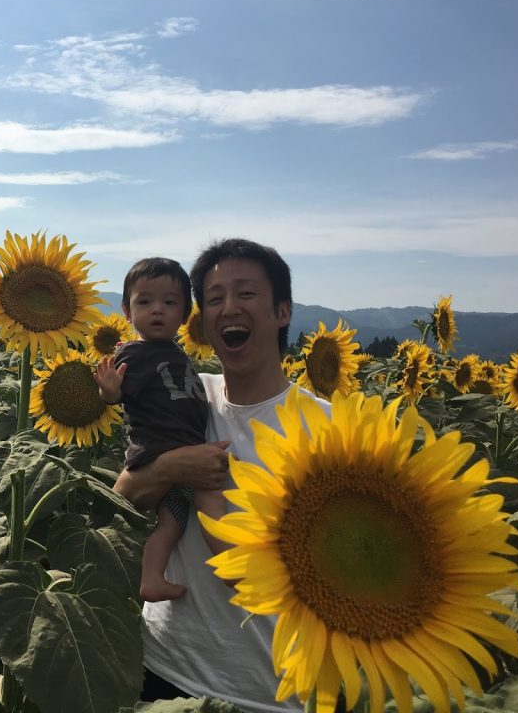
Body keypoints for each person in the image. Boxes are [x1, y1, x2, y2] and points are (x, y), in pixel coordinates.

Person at [113, 238, 331, 711]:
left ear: (282, 311)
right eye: (214, 298)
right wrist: (173, 466)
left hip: (275, 692)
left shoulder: (329, 427)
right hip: (166, 669)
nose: (229, 306)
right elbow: (123, 496)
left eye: (247, 293)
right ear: (202, 319)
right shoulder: (187, 395)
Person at [94, 257, 232, 603]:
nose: (157, 310)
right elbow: (117, 396)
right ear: (127, 311)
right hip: (159, 449)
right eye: (145, 302)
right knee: (209, 495)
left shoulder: (175, 353)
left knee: (171, 524)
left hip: (177, 449)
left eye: (169, 303)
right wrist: (109, 389)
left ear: (185, 315)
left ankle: (152, 579)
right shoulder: (136, 354)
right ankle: (234, 567)